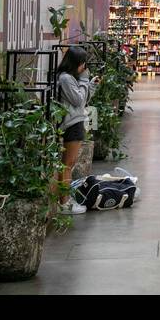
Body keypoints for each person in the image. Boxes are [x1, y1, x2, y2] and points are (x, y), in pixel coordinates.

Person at [56, 46, 95, 215]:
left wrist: (90, 85)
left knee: (68, 164)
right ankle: (64, 204)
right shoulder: (66, 79)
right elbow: (78, 100)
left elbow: (83, 100)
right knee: (67, 164)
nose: (84, 68)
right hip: (72, 124)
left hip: (76, 121)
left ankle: (66, 200)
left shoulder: (71, 78)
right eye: (83, 64)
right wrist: (85, 81)